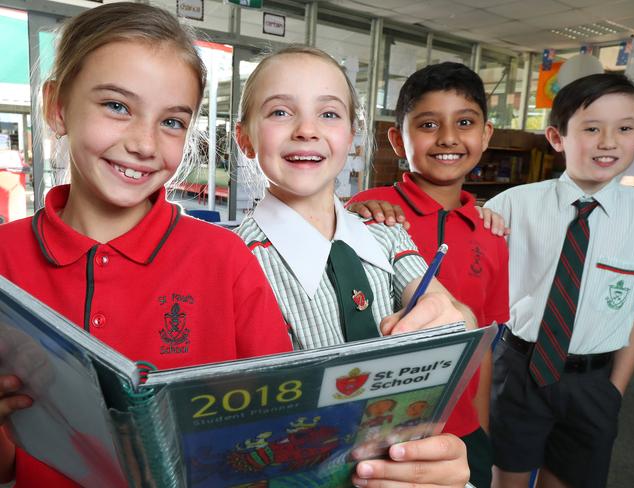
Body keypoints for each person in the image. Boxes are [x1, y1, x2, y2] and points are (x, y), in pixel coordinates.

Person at [0, 3, 292, 486]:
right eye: (117, 106)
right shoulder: (6, 258)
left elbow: (276, 433)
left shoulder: (226, 261)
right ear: (57, 106)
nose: (144, 143)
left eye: (172, 121)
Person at [234, 45, 476, 488]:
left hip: (400, 467)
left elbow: (449, 309)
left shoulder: (385, 234)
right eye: (280, 112)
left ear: (352, 136)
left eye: (329, 114)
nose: (307, 130)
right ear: (244, 138)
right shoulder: (234, 260)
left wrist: (450, 316)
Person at [347, 62, 510, 488]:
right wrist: (351, 213)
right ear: (397, 138)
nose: (449, 138)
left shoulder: (491, 233)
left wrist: (481, 429)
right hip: (375, 426)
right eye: (428, 124)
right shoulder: (370, 209)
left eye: (465, 123)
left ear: (486, 135)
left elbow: (485, 346)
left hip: (460, 430)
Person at [485, 73, 634, 488]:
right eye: (592, 128)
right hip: (520, 369)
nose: (608, 141)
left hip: (594, 381)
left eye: (625, 129)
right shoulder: (511, 205)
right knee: (508, 476)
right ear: (557, 137)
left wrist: (615, 389)